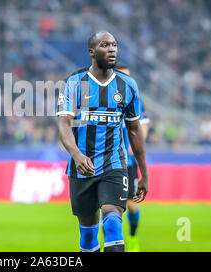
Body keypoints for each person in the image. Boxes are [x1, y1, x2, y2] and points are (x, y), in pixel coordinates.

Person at [57, 31, 148, 252]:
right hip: (82, 167)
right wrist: (77, 155)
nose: (112, 49)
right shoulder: (74, 82)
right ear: (92, 52)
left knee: (114, 220)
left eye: (114, 45)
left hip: (114, 164)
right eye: (105, 45)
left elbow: (135, 130)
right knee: (88, 235)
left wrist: (144, 173)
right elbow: (64, 124)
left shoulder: (127, 85)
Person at [115, 63, 150, 252]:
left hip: (128, 163)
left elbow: (143, 123)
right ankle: (111, 244)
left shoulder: (135, 99)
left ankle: (133, 237)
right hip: (107, 160)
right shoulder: (103, 97)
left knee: (132, 204)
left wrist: (135, 143)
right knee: (108, 206)